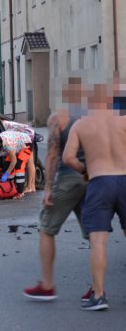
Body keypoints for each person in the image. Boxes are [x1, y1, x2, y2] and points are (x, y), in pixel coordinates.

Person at [23, 77, 89, 301]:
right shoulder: (93, 117)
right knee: (95, 235)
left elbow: (51, 154)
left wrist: (48, 188)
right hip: (91, 179)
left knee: (46, 228)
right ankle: (97, 287)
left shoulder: (59, 118)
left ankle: (47, 285)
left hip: (68, 179)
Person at [63, 82, 126, 311]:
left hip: (100, 182)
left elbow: (68, 157)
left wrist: (84, 171)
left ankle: (98, 296)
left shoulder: (81, 124)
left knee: (98, 241)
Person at [0, 130, 33, 198]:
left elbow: (14, 161)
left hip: (25, 143)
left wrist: (6, 174)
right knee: (7, 165)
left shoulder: (8, 144)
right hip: (15, 145)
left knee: (19, 165)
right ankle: (11, 188)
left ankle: (20, 192)